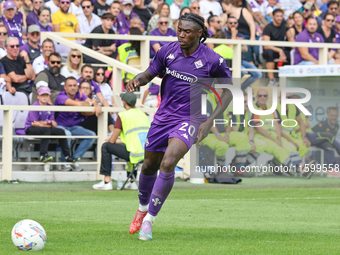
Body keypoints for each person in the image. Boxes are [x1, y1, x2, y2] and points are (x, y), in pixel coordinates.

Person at [126, 13, 232, 240]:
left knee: (169, 161)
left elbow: (229, 90)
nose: (181, 35)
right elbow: (149, 73)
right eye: (179, 30)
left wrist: (210, 119)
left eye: (187, 31)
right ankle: (142, 208)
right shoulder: (168, 51)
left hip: (191, 118)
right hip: (163, 117)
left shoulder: (213, 60)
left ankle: (150, 220)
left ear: (199, 33)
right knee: (148, 166)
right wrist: (137, 80)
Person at [93, 92, 150, 190]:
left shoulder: (123, 115)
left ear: (124, 102)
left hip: (134, 154)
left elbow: (112, 140)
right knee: (129, 147)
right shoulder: (143, 114)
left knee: (106, 146)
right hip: (147, 154)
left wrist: (110, 140)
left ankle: (107, 182)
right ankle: (132, 181)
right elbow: (134, 138)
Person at [54, 77, 99, 171]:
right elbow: (78, 104)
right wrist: (90, 103)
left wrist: (96, 105)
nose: (72, 88)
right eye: (70, 85)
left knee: (91, 135)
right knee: (67, 135)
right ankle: (64, 163)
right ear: (65, 87)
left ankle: (74, 160)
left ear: (77, 87)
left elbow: (94, 101)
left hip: (73, 126)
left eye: (74, 85)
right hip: (59, 126)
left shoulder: (80, 95)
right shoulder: (61, 96)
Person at [25, 86, 75, 163]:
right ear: (38, 96)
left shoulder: (50, 107)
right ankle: (43, 155)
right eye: (42, 95)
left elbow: (53, 124)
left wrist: (44, 123)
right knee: (46, 131)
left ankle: (67, 156)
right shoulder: (35, 106)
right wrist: (48, 122)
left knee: (61, 131)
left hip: (44, 129)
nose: (45, 97)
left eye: (47, 95)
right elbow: (34, 123)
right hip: (30, 128)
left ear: (49, 96)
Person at [224, 16, 261, 91]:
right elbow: (230, 49)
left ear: (237, 24)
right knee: (243, 71)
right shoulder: (224, 34)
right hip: (230, 61)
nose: (233, 24)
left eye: (235, 23)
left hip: (240, 60)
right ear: (227, 24)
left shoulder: (240, 35)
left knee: (258, 74)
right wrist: (234, 36)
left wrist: (238, 46)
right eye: (231, 23)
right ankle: (232, 88)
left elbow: (245, 49)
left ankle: (239, 89)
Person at [222, 0, 258, 65]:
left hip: (247, 36)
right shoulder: (225, 16)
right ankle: (249, 65)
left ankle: (254, 65)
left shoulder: (243, 10)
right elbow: (219, 25)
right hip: (235, 37)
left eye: (224, 7)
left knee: (256, 50)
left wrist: (252, 37)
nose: (224, 9)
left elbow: (252, 24)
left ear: (230, 5)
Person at [263, 9, 290, 86]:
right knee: (269, 53)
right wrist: (279, 50)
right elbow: (266, 46)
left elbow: (290, 36)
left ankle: (289, 79)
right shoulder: (268, 28)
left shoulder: (285, 25)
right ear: (273, 16)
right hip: (271, 50)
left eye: (281, 16)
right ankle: (271, 80)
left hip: (282, 50)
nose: (279, 18)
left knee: (292, 54)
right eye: (277, 16)